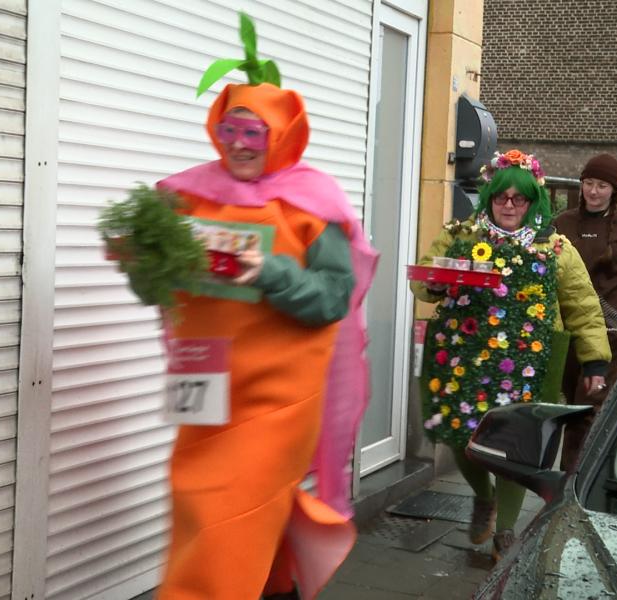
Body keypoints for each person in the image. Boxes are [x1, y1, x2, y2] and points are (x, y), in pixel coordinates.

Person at [151, 16, 378, 600]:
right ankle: (279, 587)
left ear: (282, 134)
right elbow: (162, 286)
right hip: (204, 380)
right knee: (198, 498)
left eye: (255, 132)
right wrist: (141, 257)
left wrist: (269, 270)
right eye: (230, 129)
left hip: (278, 396)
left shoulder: (312, 202)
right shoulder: (189, 195)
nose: (239, 144)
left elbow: (331, 298)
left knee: (227, 510)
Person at [410, 149, 610, 560]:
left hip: (530, 363)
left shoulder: (554, 248)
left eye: (519, 198)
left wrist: (595, 361)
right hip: (463, 355)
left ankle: (505, 531)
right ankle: (483, 496)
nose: (509, 205)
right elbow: (428, 276)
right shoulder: (461, 235)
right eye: (501, 196)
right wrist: (435, 284)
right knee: (461, 435)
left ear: (533, 201)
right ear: (489, 197)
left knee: (516, 446)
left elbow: (583, 305)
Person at [553, 154, 617, 471]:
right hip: (568, 330)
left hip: (609, 333)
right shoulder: (563, 223)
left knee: (587, 406)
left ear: (614, 190)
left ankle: (570, 481)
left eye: (601, 186)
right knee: (563, 403)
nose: (593, 192)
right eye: (588, 184)